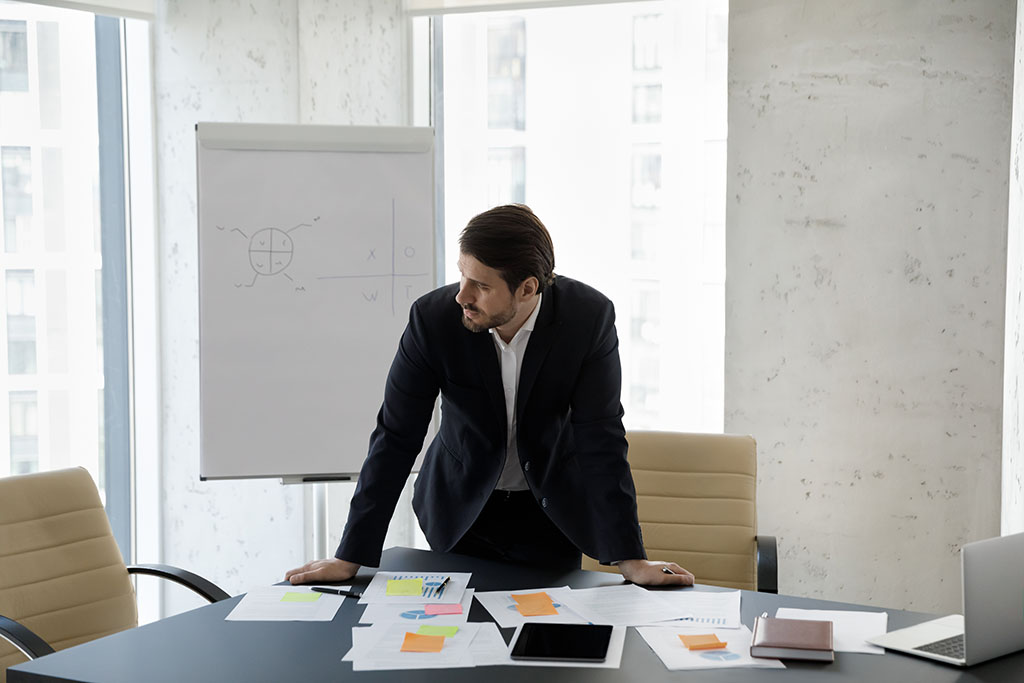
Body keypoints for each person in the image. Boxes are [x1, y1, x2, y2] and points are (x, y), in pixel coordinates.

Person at [286, 204, 693, 587]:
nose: (462, 295)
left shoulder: (588, 319)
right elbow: (396, 435)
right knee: (454, 641)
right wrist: (351, 554)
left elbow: (600, 436)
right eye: (463, 276)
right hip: (460, 508)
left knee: (544, 643)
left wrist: (631, 559)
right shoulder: (433, 320)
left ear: (527, 289)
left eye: (480, 285)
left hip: (551, 511)